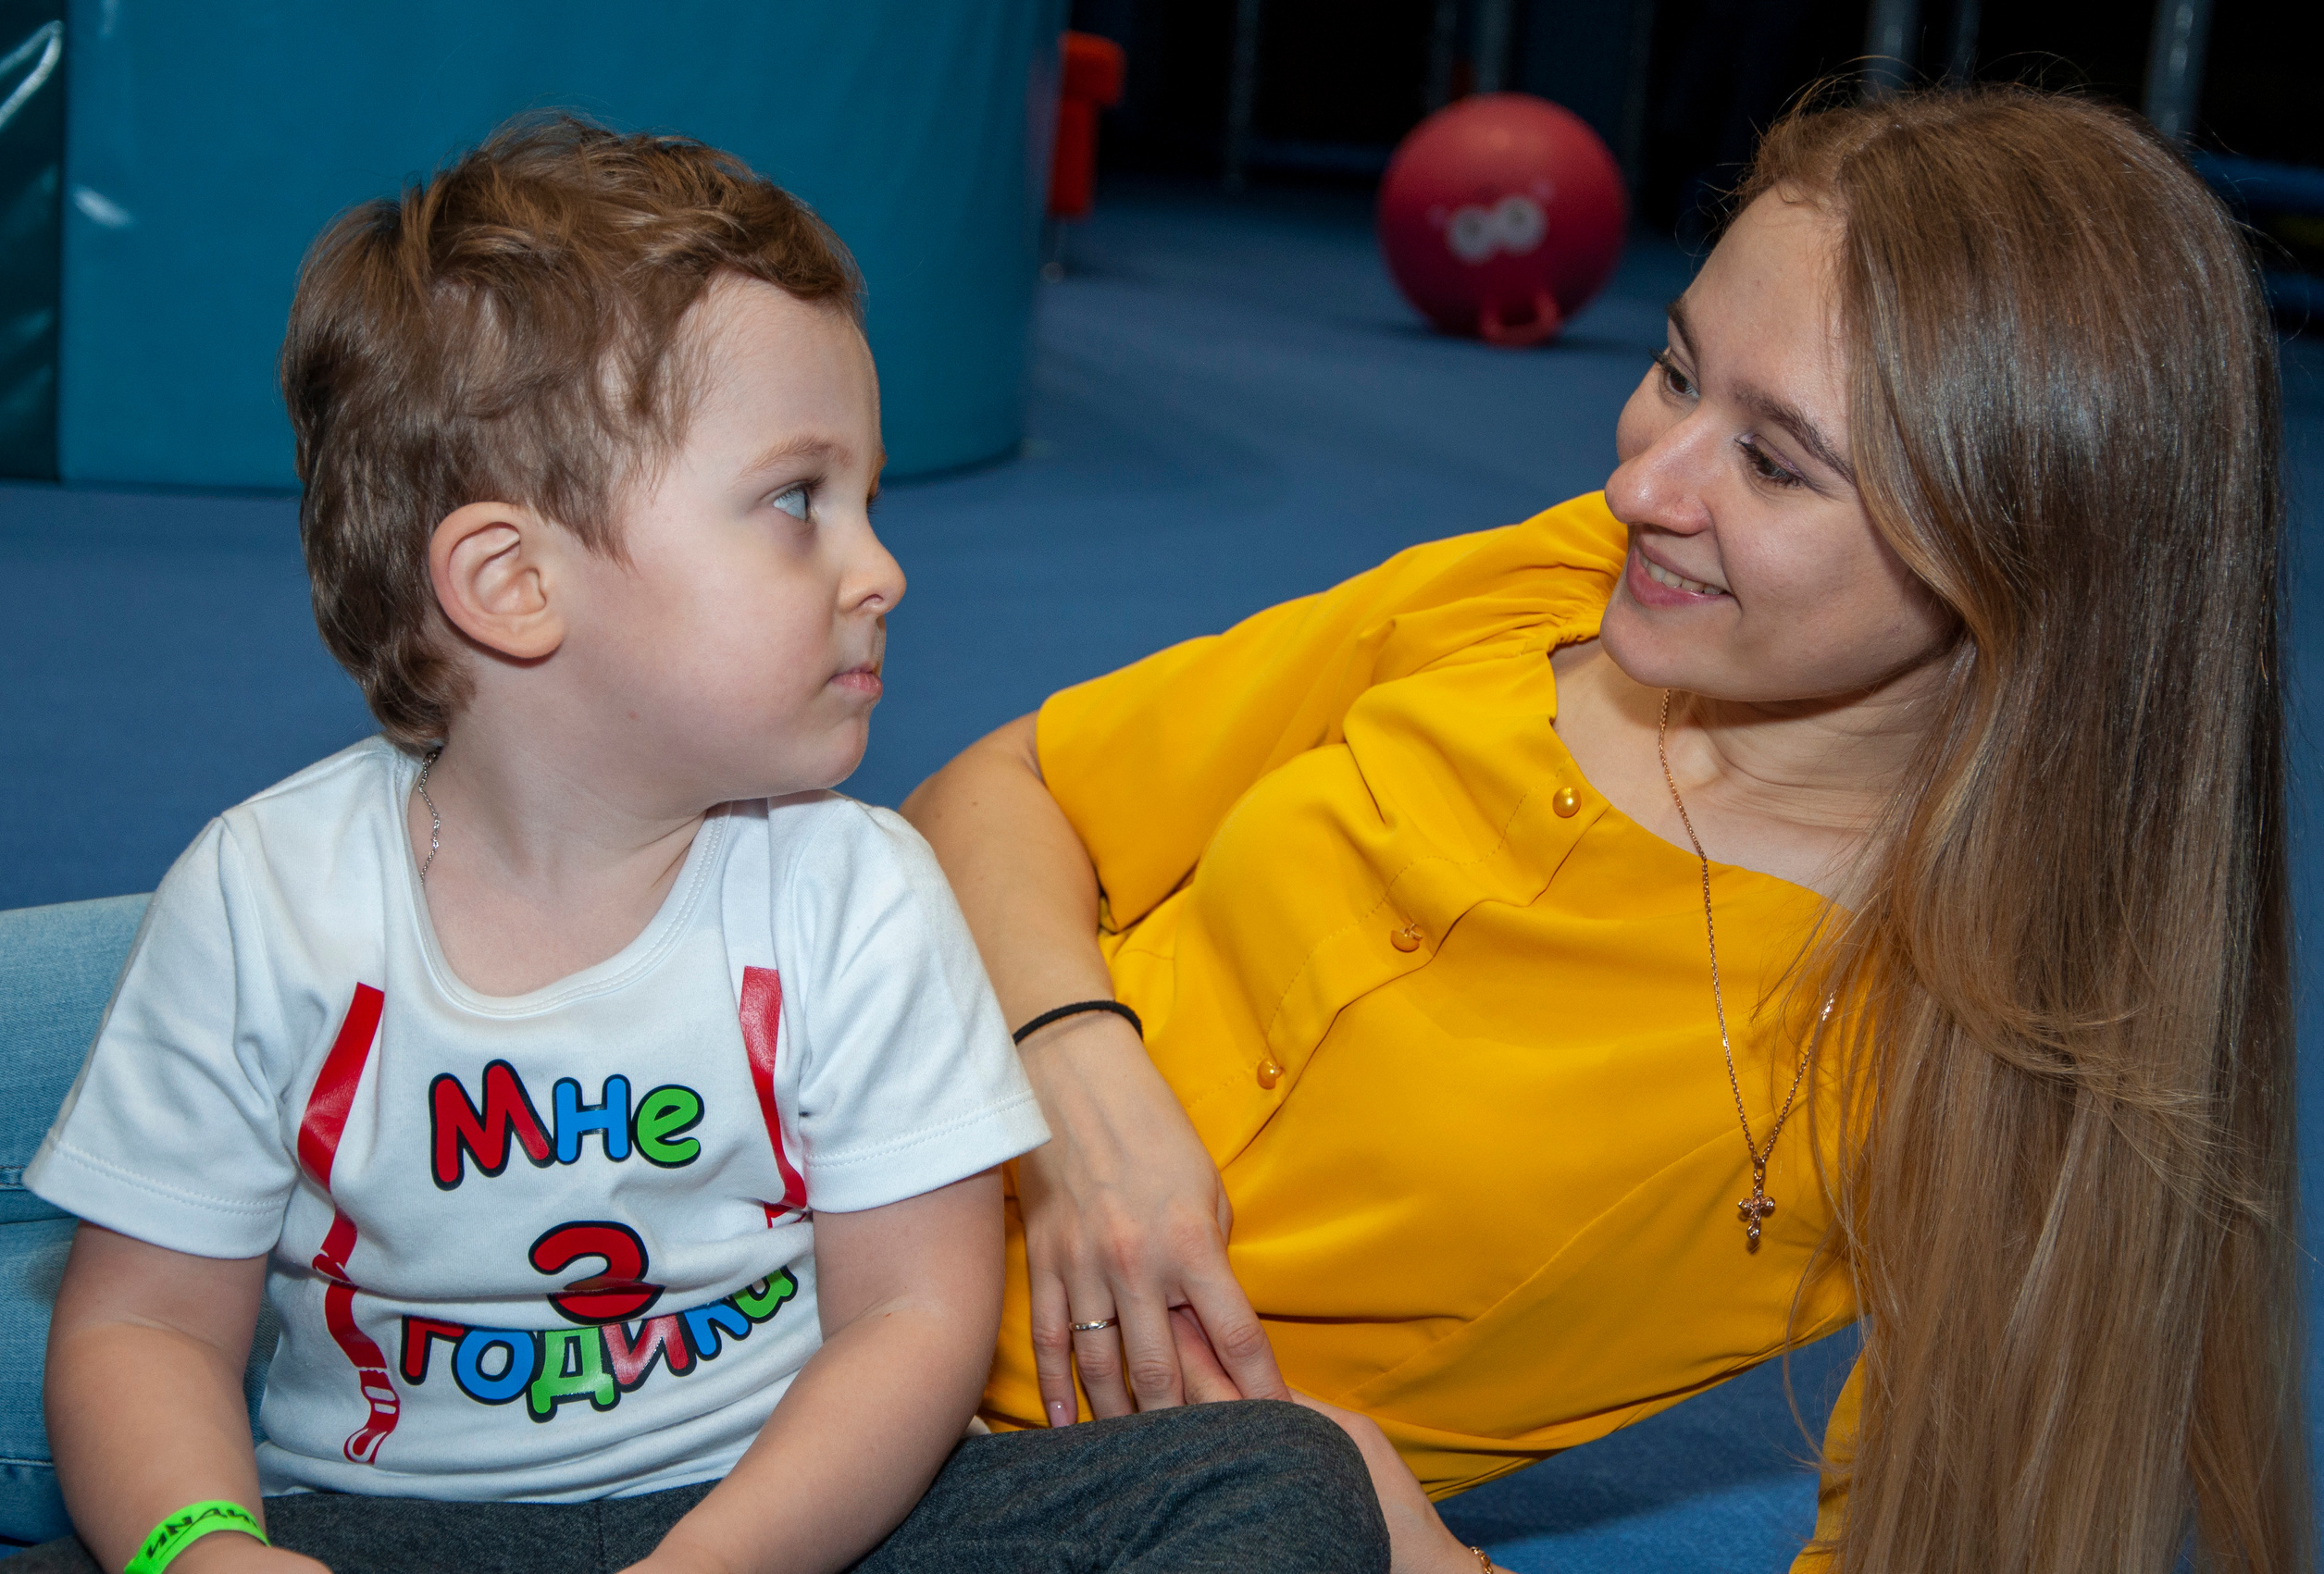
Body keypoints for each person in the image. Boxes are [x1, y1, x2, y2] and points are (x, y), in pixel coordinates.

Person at [904, 84, 2312, 1574]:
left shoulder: (1970, 1059)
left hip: (1008, 1478)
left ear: (2019, 562)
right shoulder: (1557, 587)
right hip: (807, 1173)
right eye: (1675, 370)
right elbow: (1004, 787)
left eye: (1776, 463)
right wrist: (1074, 1070)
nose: (1643, 481)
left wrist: (1396, 1542)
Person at [21, 118, 1386, 1574]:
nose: (883, 569)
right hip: (384, 1531)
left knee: (1282, 1481)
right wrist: (202, 1550)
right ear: (514, 581)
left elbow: (910, 1320)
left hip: (780, 1519)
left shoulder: (858, 893)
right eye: (800, 501)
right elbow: (146, 1323)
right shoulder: (263, 902)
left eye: (867, 501)